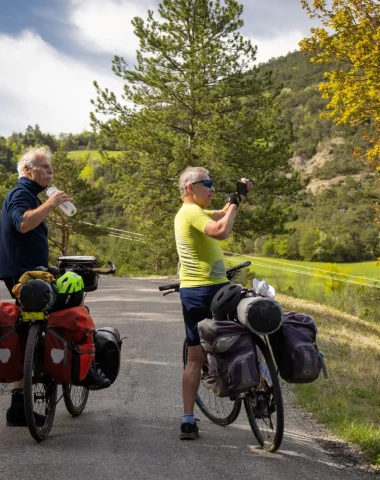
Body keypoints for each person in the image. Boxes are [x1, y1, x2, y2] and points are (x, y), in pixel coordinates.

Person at [0, 147, 108, 427]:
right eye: (44, 167)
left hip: (28, 272)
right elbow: (23, 224)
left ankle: (17, 406)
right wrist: (50, 204)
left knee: (25, 332)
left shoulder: (28, 195)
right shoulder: (20, 194)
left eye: (51, 168)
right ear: (27, 171)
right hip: (25, 275)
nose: (50, 172)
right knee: (72, 306)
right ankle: (86, 371)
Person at [174, 166, 252, 440]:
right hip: (210, 290)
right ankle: (259, 390)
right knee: (246, 334)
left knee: (195, 358)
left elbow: (221, 214)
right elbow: (220, 230)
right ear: (190, 188)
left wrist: (236, 199)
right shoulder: (191, 212)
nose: (212, 188)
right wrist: (233, 205)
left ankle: (187, 420)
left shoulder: (193, 212)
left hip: (193, 293)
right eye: (207, 183)